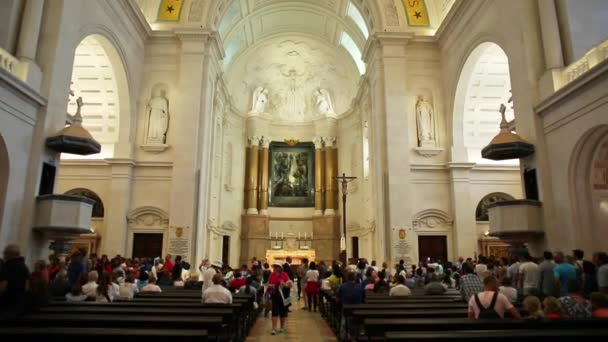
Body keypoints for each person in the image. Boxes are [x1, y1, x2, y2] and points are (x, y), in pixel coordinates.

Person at [0, 244, 30, 316]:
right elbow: (26, 287)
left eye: (4, 253)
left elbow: (2, 287)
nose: (4, 255)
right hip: (20, 304)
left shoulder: (6, 267)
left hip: (6, 304)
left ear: (10, 254)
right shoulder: (24, 267)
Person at [337, 272, 365, 340]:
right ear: (355, 278)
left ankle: (343, 335)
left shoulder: (342, 286)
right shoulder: (360, 287)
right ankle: (360, 332)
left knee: (344, 317)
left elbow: (338, 298)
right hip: (358, 310)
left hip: (346, 309)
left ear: (347, 278)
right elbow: (363, 299)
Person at [267, 261, 292, 335]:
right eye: (274, 266)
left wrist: (284, 284)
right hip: (274, 295)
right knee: (274, 312)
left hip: (284, 296)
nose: (275, 268)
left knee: (283, 312)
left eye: (277, 266)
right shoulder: (272, 274)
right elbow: (268, 284)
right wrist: (272, 286)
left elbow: (289, 284)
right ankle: (274, 328)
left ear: (280, 268)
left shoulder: (285, 274)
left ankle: (282, 327)